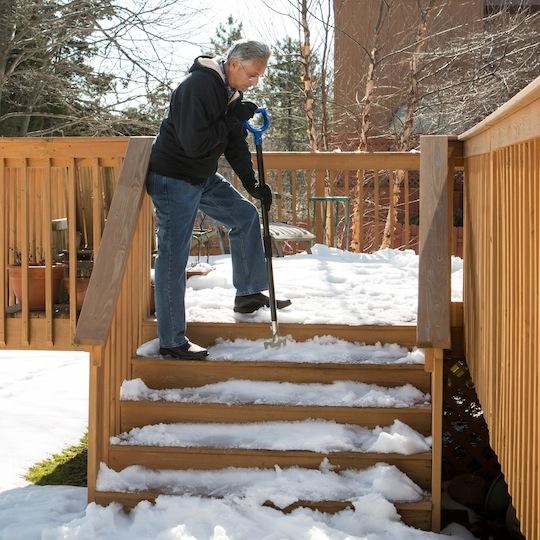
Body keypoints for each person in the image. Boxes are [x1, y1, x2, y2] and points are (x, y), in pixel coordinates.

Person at [146, 40, 291, 360]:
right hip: (174, 177)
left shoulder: (229, 94)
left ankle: (249, 293)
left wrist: (253, 183)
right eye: (253, 75)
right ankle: (171, 340)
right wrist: (231, 116)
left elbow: (234, 144)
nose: (256, 81)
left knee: (244, 215)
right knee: (173, 257)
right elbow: (196, 143)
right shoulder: (198, 87)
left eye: (259, 76)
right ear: (234, 65)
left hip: (200, 176)